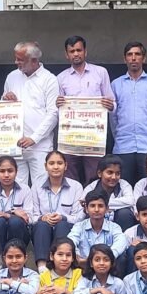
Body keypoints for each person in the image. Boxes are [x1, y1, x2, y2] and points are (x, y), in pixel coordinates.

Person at [56, 35, 116, 184]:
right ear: (66, 55)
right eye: (72, 51)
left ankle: (95, 199)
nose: (76, 54)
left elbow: (113, 103)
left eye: (79, 50)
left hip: (94, 137)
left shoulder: (100, 72)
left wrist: (110, 105)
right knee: (70, 178)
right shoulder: (60, 78)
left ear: (85, 52)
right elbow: (57, 111)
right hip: (70, 137)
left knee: (95, 176)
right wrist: (58, 104)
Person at [2, 41, 59, 188]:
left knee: (41, 188)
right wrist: (6, 99)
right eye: (16, 58)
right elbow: (2, 109)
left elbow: (53, 113)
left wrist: (34, 138)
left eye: (20, 59)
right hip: (15, 144)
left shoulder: (49, 79)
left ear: (33, 60)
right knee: (16, 187)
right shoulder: (12, 77)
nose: (16, 62)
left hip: (40, 146)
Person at [110, 42, 147, 184]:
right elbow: (113, 117)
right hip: (123, 145)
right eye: (130, 55)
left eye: (137, 54)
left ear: (144, 58)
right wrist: (119, 135)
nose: (133, 58)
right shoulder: (115, 84)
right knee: (122, 186)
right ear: (125, 59)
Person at [31, 151, 84, 273]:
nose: (55, 167)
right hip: (43, 230)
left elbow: (79, 217)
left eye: (59, 163)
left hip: (65, 228)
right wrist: (42, 217)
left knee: (62, 224)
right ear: (45, 166)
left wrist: (63, 217)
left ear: (66, 166)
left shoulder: (76, 186)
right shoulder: (37, 186)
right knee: (41, 225)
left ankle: (61, 267)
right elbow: (32, 216)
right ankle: (42, 268)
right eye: (51, 163)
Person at [0, 157, 33, 255]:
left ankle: (17, 254)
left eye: (10, 171)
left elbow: (30, 218)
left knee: (15, 221)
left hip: (20, 233)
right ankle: (0, 256)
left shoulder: (25, 189)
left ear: (16, 172)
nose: (6, 175)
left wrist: (8, 215)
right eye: (2, 171)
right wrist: (13, 213)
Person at [68, 190, 125, 268]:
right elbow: (70, 241)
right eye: (92, 206)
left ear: (107, 209)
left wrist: (105, 257)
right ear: (86, 209)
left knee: (122, 256)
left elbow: (122, 242)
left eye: (100, 206)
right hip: (84, 266)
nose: (96, 209)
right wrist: (77, 255)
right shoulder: (79, 226)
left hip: (107, 267)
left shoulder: (114, 227)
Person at [81, 154, 136, 230]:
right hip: (98, 224)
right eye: (110, 172)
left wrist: (102, 203)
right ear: (100, 173)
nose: (114, 177)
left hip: (119, 222)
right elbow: (84, 204)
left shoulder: (124, 184)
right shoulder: (91, 187)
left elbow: (130, 201)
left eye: (117, 173)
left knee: (125, 213)